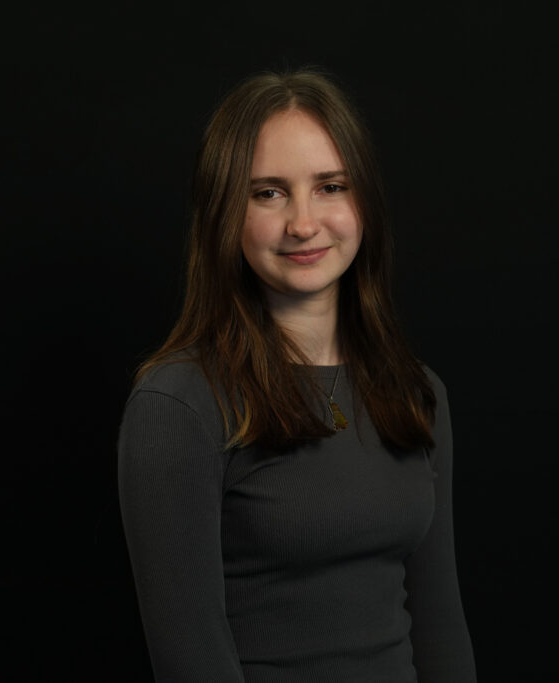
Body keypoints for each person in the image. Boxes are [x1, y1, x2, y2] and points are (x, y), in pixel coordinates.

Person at [117, 68, 477, 682]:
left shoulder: (418, 393)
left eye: (331, 186)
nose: (304, 223)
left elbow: (441, 628)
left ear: (364, 200)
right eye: (269, 193)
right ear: (224, 213)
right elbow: (191, 660)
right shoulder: (179, 402)